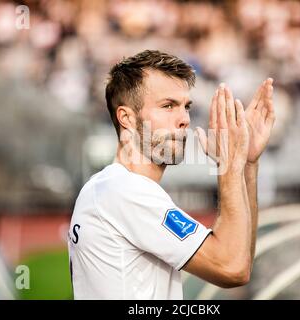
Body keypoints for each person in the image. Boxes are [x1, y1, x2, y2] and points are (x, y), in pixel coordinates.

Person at [68, 50, 275, 299]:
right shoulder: (126, 191)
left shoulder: (109, 187)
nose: (184, 119)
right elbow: (232, 269)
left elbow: (239, 259)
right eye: (168, 106)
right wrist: (229, 164)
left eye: (186, 106)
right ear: (126, 118)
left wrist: (247, 164)